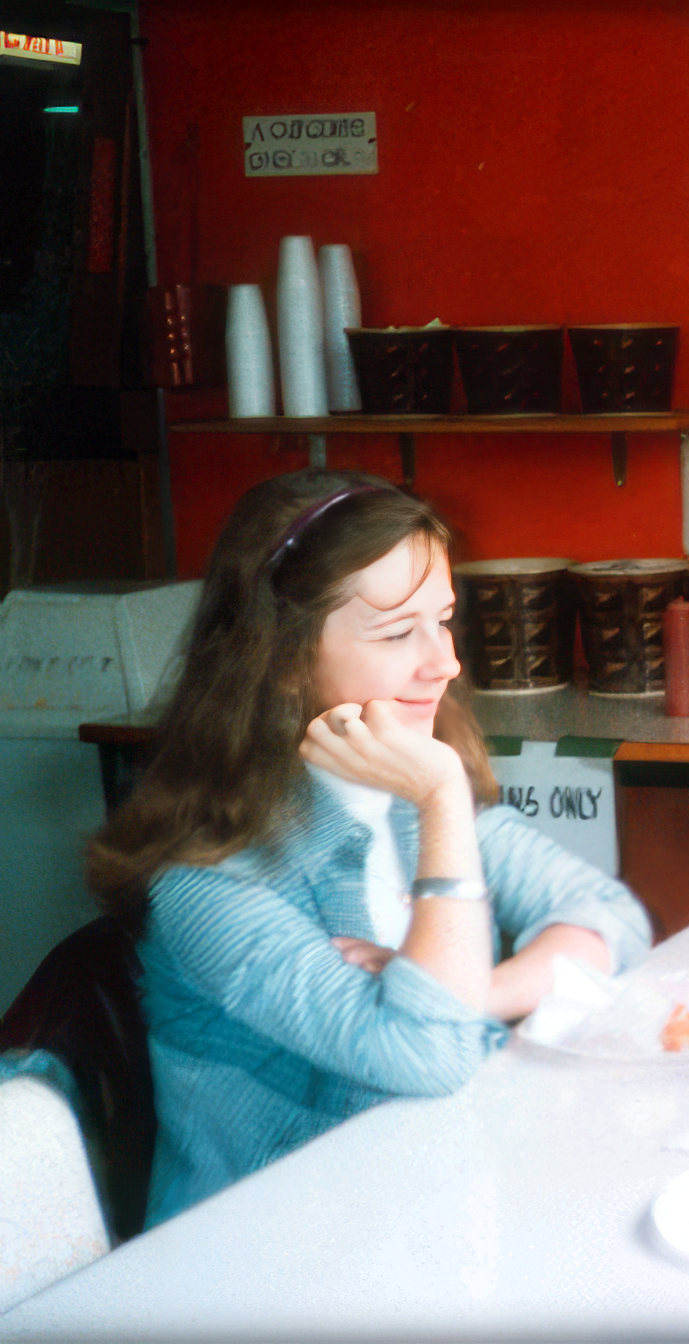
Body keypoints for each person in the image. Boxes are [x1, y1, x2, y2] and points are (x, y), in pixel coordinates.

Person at [88, 470, 651, 1227]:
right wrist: (445, 799)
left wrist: (473, 998)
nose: (444, 662)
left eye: (443, 621)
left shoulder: (405, 796)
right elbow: (431, 1059)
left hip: (423, 1211)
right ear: (283, 661)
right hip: (264, 1268)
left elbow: (612, 918)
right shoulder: (206, 882)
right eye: (396, 634)